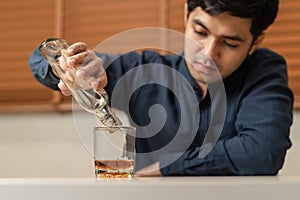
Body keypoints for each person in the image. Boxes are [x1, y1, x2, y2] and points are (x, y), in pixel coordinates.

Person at [29, 0, 293, 176]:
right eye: (200, 32)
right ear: (187, 16)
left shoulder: (263, 71)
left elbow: (262, 153)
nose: (208, 53)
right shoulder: (145, 70)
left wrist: (167, 169)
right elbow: (38, 59)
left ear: (255, 41)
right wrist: (70, 65)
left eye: (231, 43)